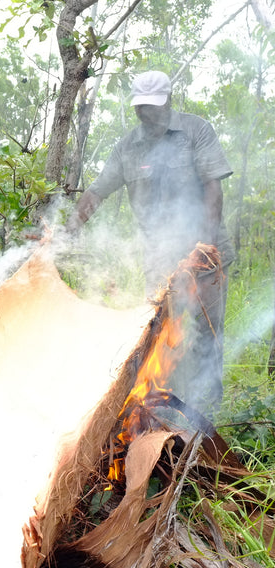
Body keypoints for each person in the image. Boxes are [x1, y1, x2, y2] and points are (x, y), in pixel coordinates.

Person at [66, 70, 235, 418]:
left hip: (206, 256)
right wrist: (68, 230)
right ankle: (155, 411)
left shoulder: (196, 131)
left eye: (153, 107)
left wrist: (203, 246)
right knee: (154, 331)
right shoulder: (127, 148)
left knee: (207, 334)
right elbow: (97, 191)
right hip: (160, 259)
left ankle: (206, 416)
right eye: (140, 107)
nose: (146, 113)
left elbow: (213, 190)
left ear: (169, 101)